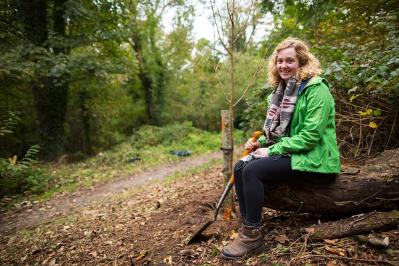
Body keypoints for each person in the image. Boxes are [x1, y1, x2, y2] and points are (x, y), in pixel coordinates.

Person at [221, 37, 341, 260]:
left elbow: (310, 137)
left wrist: (271, 151)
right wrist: (262, 144)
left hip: (315, 155)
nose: (283, 66)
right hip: (293, 151)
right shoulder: (281, 92)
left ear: (302, 63)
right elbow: (281, 134)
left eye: (290, 61)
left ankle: (251, 239)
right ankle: (248, 230)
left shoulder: (316, 90)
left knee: (253, 170)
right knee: (240, 167)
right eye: (280, 61)